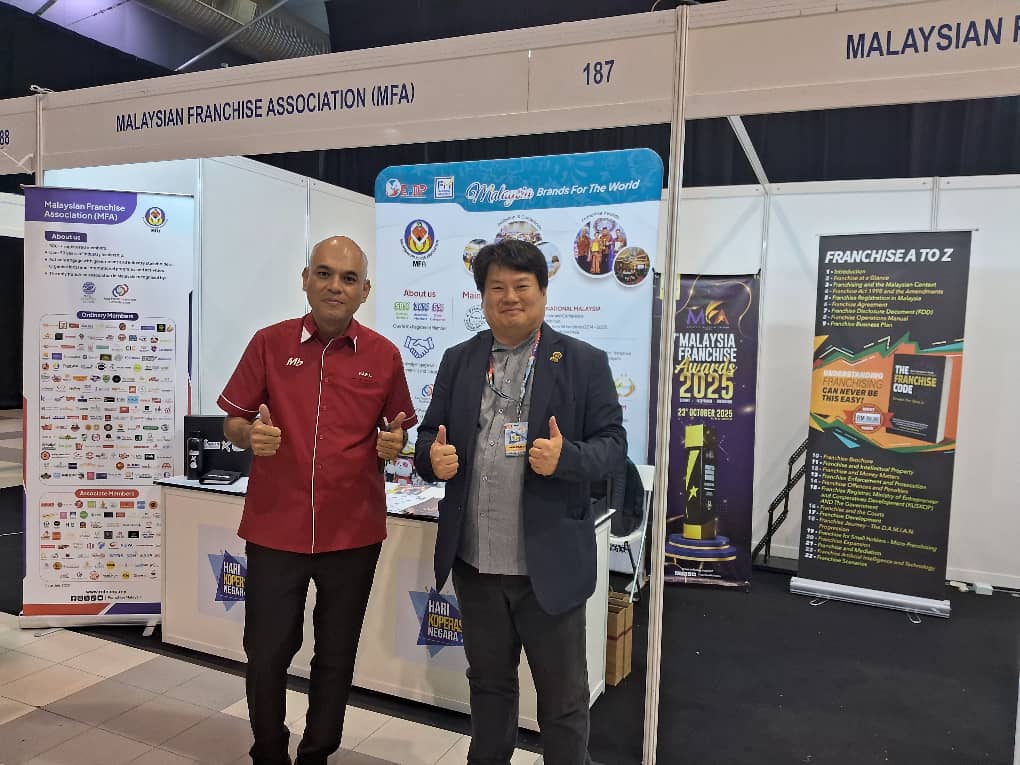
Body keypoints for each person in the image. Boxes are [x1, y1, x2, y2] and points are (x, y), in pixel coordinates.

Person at [414, 239, 625, 765]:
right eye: (497, 287)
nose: (509, 297)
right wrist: (432, 459)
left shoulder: (582, 362)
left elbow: (613, 448)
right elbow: (427, 437)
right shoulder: (459, 360)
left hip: (546, 569)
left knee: (563, 702)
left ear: (543, 293)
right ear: (482, 296)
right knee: (489, 689)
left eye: (521, 286)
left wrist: (566, 458)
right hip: (476, 565)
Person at [218, 235, 416, 765]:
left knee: (336, 655)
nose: (335, 286)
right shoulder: (268, 343)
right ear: (305, 279)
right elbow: (234, 420)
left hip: (352, 532)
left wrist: (395, 444)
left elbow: (399, 431)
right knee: (266, 653)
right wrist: (247, 435)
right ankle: (269, 752)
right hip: (274, 527)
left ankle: (317, 754)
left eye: (349, 278)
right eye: (324, 273)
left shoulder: (385, 355)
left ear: (365, 290)